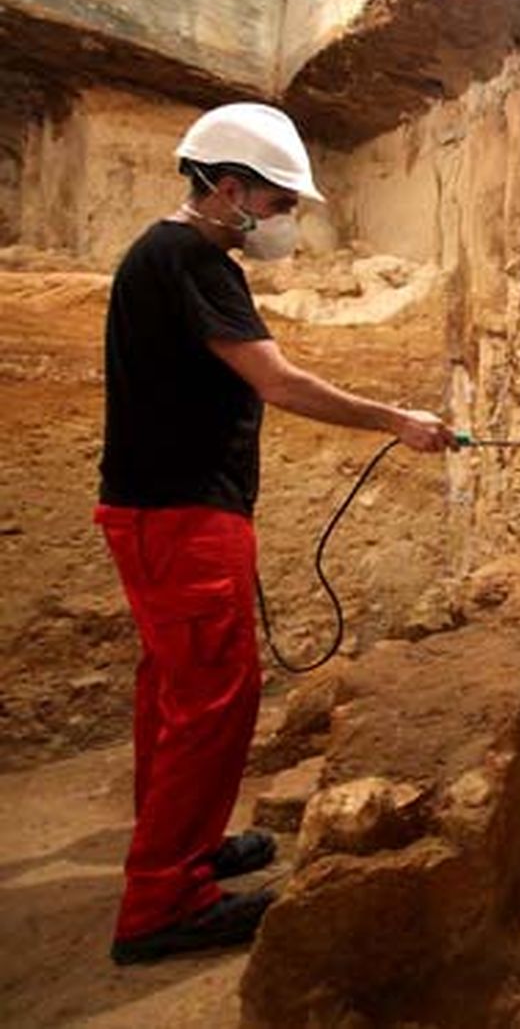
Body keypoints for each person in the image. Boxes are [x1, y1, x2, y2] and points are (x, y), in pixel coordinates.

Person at [95, 103, 454, 965]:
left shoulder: (168, 255)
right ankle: (164, 903)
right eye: (279, 201)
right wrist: (394, 419)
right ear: (228, 190)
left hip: (156, 510)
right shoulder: (191, 257)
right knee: (216, 700)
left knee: (176, 692)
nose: (284, 220)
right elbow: (278, 382)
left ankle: (181, 846)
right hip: (181, 517)